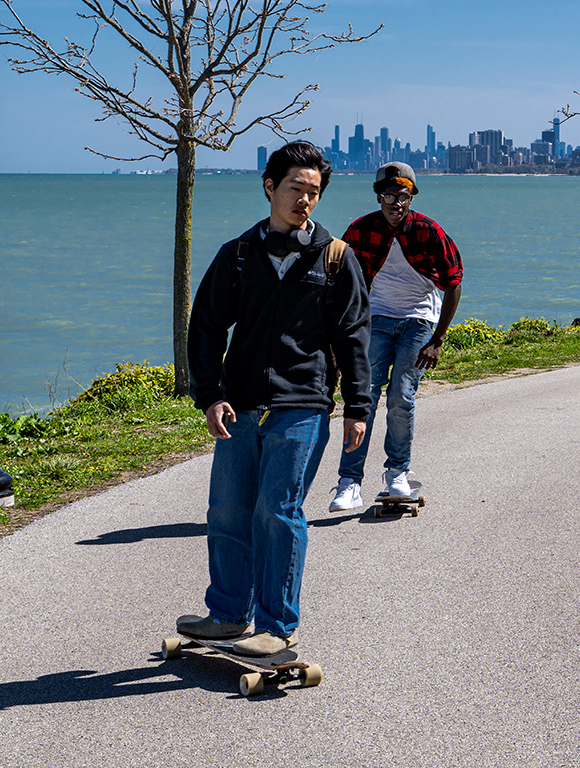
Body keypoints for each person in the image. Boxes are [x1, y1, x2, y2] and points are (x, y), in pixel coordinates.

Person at [178, 141, 372, 657]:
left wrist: (358, 406)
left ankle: (275, 625)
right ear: (270, 187)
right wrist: (209, 396)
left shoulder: (336, 259)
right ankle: (226, 615)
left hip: (302, 404)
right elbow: (207, 329)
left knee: (276, 510)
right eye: (295, 188)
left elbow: (355, 334)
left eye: (313, 192)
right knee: (226, 509)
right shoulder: (237, 256)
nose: (304, 200)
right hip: (239, 404)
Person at [328, 162, 464, 512]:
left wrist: (437, 339)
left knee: (401, 396)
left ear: (410, 197)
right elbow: (339, 284)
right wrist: (338, 340)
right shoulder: (360, 230)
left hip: (418, 321)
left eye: (403, 196)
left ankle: (396, 473)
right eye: (389, 195)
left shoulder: (429, 230)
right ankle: (349, 482)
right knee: (364, 396)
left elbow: (454, 282)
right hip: (375, 319)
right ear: (379, 196)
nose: (396, 203)